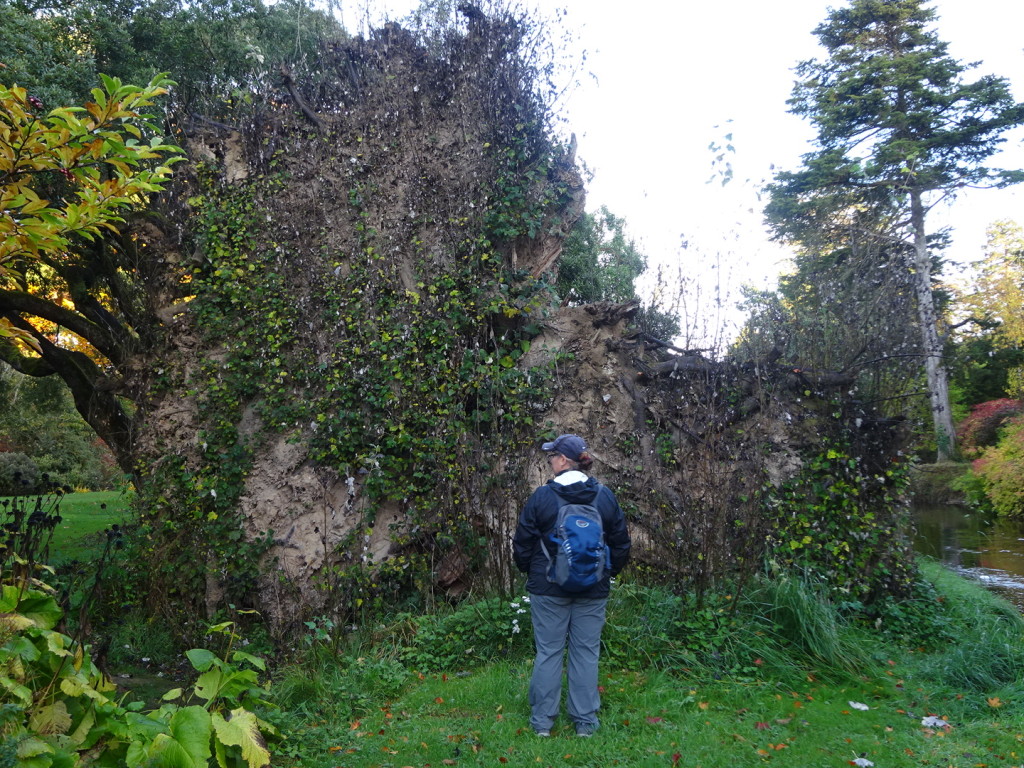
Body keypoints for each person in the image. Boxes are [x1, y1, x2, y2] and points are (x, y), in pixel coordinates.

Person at [512, 433, 631, 738]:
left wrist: (533, 573)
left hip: (547, 587)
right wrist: (606, 573)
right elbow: (620, 543)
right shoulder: (604, 496)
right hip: (593, 587)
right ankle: (585, 723)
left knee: (549, 652)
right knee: (586, 652)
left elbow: (523, 544)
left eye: (551, 456)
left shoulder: (542, 497)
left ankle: (542, 724)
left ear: (563, 460)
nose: (549, 461)